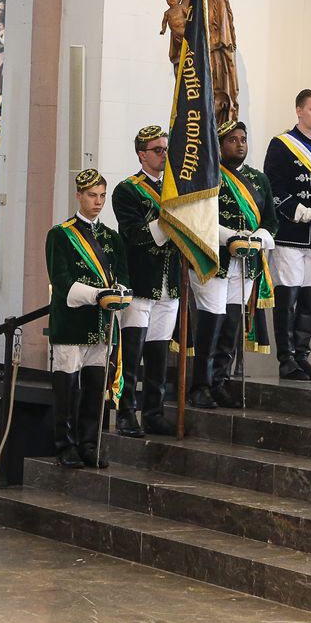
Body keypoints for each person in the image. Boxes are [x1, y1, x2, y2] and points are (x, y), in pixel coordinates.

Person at [188, 120, 277, 408]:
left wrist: (258, 239)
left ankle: (220, 382)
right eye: (232, 140)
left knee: (231, 324)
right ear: (219, 144)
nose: (239, 144)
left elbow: (270, 221)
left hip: (247, 263)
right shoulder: (208, 176)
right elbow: (199, 218)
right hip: (214, 261)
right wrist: (229, 238)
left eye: (243, 139)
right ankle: (200, 385)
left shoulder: (259, 179)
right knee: (211, 322)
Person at [46, 169, 131, 469]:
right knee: (68, 389)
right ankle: (64, 444)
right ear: (79, 196)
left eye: (102, 196)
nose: (97, 202)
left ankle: (89, 443)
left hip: (103, 325)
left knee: (96, 388)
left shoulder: (111, 237)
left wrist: (119, 291)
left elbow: (122, 276)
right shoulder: (60, 234)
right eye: (92, 196)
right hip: (72, 324)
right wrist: (98, 295)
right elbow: (62, 282)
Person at [263, 87, 311, 380]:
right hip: (291, 235)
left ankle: (303, 354)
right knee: (288, 295)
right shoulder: (281, 144)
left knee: (310, 296)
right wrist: (309, 216)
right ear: (299, 111)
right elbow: (274, 189)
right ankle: (286, 359)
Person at [111, 126, 179, 436]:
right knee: (132, 354)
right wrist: (171, 220)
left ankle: (154, 411)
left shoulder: (176, 190)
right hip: (140, 283)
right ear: (142, 154)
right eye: (157, 150)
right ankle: (126, 413)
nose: (164, 154)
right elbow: (135, 235)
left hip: (170, 283)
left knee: (158, 354)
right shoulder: (128, 190)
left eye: (165, 149)